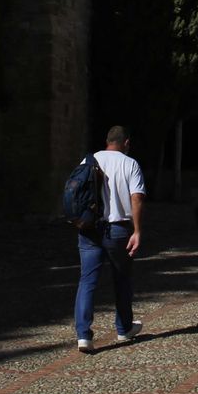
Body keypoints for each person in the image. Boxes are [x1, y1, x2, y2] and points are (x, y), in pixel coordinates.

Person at [74, 126, 146, 353]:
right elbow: (137, 198)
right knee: (122, 280)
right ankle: (124, 328)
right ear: (126, 142)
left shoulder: (89, 160)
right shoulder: (130, 163)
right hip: (118, 229)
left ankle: (83, 335)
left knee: (87, 281)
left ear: (107, 141)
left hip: (89, 228)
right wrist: (137, 230)